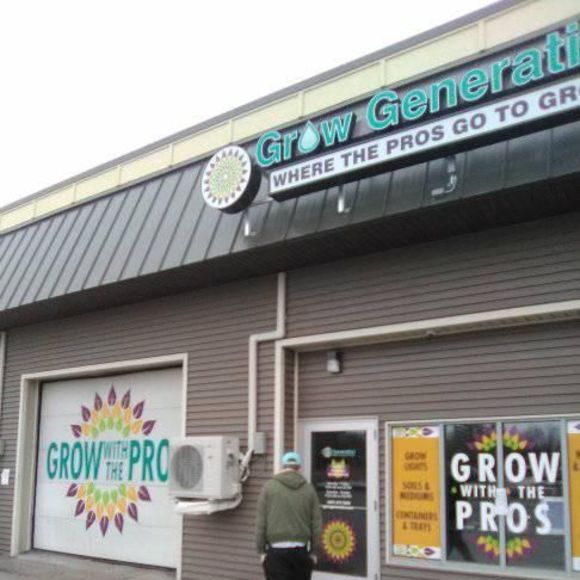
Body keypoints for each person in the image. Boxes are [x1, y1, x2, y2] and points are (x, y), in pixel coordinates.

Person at [256, 451, 322, 580]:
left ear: (283, 466)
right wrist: (315, 552)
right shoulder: (309, 489)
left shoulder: (269, 488)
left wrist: (261, 551)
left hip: (276, 552)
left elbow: (261, 523)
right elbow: (316, 524)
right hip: (301, 552)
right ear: (299, 468)